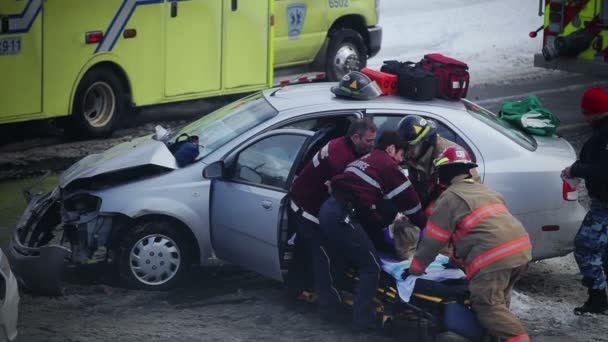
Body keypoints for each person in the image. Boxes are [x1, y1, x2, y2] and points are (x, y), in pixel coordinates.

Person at [408, 145, 532, 342]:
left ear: (446, 172)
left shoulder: (450, 197)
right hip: (521, 251)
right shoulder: (486, 191)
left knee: (487, 307)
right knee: (498, 301)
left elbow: (433, 241)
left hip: (494, 257)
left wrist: (415, 269)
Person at [317, 130, 426, 328]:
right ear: (391, 148)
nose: (400, 161)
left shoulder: (366, 159)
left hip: (329, 210)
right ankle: (363, 320)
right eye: (401, 155)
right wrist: (425, 226)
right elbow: (411, 203)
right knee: (371, 266)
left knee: (344, 257)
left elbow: (368, 199)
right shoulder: (388, 166)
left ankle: (333, 307)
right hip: (343, 217)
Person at [287, 118, 377, 299]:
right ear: (355, 137)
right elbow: (341, 191)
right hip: (307, 209)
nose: (372, 145)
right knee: (324, 257)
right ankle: (327, 303)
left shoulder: (339, 144)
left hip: (303, 202)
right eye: (369, 141)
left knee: (303, 252)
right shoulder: (340, 158)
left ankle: (296, 289)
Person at [562, 87, 608, 315]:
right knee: (604, 247)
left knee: (585, 247)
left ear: (590, 113)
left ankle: (598, 299)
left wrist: (575, 169)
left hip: (605, 205)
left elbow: (603, 170)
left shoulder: (604, 136)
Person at [398, 115, 480, 209]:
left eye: (409, 147)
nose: (405, 152)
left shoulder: (445, 156)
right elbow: (417, 186)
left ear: (424, 141)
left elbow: (457, 194)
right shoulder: (416, 154)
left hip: (461, 202)